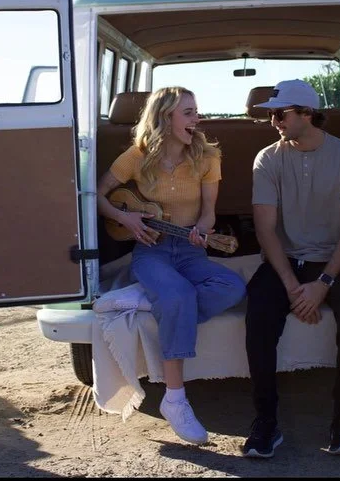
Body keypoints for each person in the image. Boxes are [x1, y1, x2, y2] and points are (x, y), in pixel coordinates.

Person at [96, 86, 246, 445]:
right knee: (178, 295)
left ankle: (151, 301)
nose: (198, 118)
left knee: (232, 287)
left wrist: (203, 230)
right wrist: (126, 218)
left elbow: (209, 213)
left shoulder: (207, 156)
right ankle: (175, 400)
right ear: (165, 117)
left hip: (191, 251)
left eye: (196, 111)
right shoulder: (137, 155)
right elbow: (98, 195)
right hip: (151, 251)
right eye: (189, 113)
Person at [241, 79, 340, 458]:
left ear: (307, 114)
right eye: (271, 115)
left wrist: (323, 283)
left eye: (280, 114)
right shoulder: (267, 158)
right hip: (284, 262)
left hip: (332, 263)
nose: (274, 122)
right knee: (258, 316)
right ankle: (266, 421)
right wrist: (293, 287)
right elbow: (265, 230)